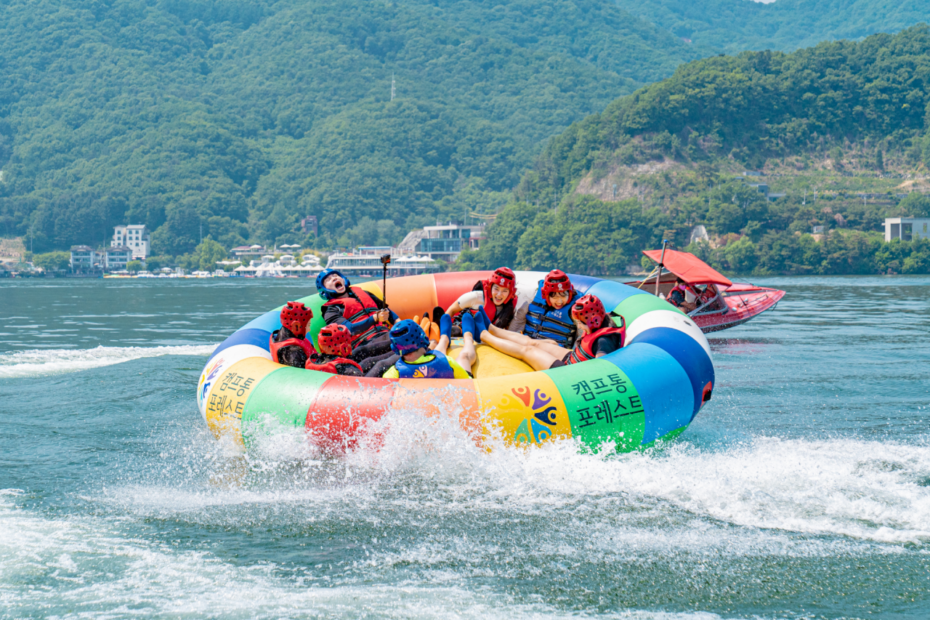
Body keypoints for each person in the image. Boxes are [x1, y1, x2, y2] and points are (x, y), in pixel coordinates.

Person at [477, 294, 625, 371]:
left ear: (594, 321)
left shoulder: (604, 341)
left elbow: (602, 367)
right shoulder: (602, 322)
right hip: (573, 359)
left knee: (527, 350)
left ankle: (484, 335)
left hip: (569, 373)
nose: (579, 326)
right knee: (532, 341)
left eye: (580, 323)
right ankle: (492, 328)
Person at [316, 268, 398, 367]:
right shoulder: (331, 310)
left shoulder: (365, 294)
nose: (333, 278)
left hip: (386, 335)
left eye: (335, 276)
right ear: (324, 289)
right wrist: (374, 318)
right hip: (364, 345)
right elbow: (349, 330)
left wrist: (399, 323)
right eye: (328, 279)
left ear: (343, 279)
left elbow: (388, 311)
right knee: (368, 360)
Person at [381, 318, 476, 379]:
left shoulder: (394, 373)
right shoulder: (447, 361)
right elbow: (468, 383)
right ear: (423, 339)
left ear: (395, 348)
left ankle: (444, 339)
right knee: (464, 357)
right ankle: (466, 337)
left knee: (438, 353)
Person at [445, 267, 527, 335]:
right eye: (496, 289)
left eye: (504, 291)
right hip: (465, 331)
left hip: (487, 337)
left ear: (510, 293)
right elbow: (452, 309)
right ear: (490, 287)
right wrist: (443, 331)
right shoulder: (476, 297)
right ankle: (458, 329)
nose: (499, 295)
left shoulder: (511, 306)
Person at [522, 269, 581, 348]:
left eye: (563, 296)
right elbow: (519, 320)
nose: (559, 301)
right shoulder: (534, 296)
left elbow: (581, 334)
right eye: (555, 297)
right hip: (528, 343)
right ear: (546, 295)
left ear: (570, 294)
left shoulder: (575, 307)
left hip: (555, 350)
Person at [269, 301, 317, 368]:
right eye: (308, 325)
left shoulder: (279, 336)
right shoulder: (294, 352)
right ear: (296, 326)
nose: (309, 329)